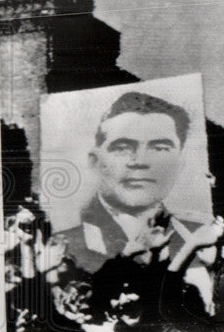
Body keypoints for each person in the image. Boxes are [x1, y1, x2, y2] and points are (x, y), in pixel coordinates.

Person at [56, 91, 205, 274]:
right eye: (123, 148)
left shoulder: (203, 239)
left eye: (160, 148)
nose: (140, 161)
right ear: (95, 162)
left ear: (179, 164)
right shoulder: (62, 248)